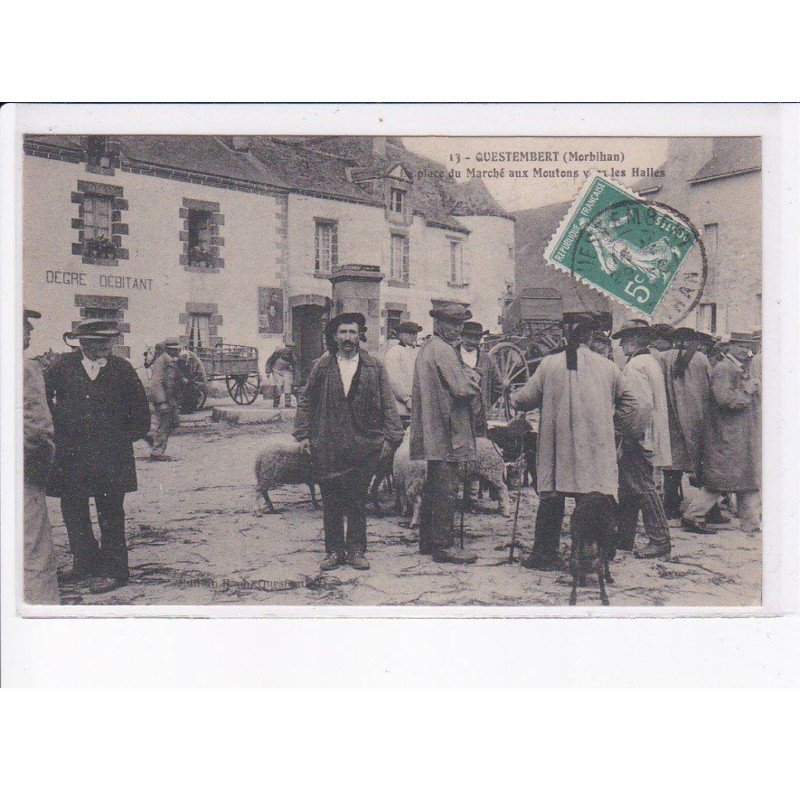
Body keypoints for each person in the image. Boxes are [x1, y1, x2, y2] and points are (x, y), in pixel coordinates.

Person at [511, 319, 641, 570]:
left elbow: (525, 398)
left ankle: (544, 555)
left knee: (551, 499)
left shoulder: (550, 364)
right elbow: (632, 404)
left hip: (558, 447)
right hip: (594, 446)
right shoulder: (608, 367)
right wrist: (615, 427)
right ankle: (592, 555)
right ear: (591, 339)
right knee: (593, 498)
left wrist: (515, 400)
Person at [45, 320, 151, 594]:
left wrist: (123, 437)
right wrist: (58, 430)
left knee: (111, 513)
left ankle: (116, 571)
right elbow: (44, 403)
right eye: (98, 343)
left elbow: (140, 410)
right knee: (74, 511)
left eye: (108, 342)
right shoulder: (62, 367)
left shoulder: (121, 369)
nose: (105, 348)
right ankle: (85, 562)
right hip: (72, 456)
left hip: (111, 457)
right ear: (82, 343)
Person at [294, 312, 403, 571]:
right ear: (334, 336)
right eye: (342, 333)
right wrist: (303, 434)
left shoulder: (374, 366)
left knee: (356, 500)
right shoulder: (322, 366)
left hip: (363, 445)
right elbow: (306, 400)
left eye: (352, 332)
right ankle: (333, 551)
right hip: (328, 444)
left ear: (360, 336)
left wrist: (392, 438)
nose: (347, 338)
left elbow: (388, 403)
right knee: (331, 500)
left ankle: (356, 550)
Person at [410, 303, 482, 564]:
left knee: (434, 486)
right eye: (453, 324)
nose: (458, 330)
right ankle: (443, 545)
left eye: (461, 325)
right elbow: (462, 389)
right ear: (438, 323)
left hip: (434, 427)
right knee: (445, 489)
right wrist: (474, 377)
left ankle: (428, 541)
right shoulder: (443, 350)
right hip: (446, 429)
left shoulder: (428, 348)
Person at [683, 332, 761, 533]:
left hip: (740, 435)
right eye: (741, 346)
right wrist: (748, 391)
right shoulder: (724, 368)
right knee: (720, 481)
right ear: (730, 347)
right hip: (728, 435)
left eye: (748, 346)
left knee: (746, 479)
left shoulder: (736, 367)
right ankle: (693, 516)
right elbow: (725, 400)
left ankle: (751, 523)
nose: (746, 350)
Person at [611, 319, 672, 558]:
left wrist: (627, 436)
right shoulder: (650, 361)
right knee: (628, 487)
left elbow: (638, 407)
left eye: (624, 340)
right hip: (647, 432)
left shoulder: (636, 366)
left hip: (638, 436)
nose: (621, 346)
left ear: (635, 340)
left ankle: (660, 539)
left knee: (642, 487)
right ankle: (624, 537)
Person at [23, 309, 61, 604]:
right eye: (24, 325)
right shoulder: (25, 368)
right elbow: (39, 433)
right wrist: (40, 474)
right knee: (34, 554)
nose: (30, 331)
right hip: (21, 475)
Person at [659, 328, 713, 525]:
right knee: (703, 462)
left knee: (672, 463)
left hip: (671, 416)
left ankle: (670, 505)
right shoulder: (701, 358)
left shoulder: (664, 358)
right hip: (697, 417)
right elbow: (709, 384)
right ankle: (709, 509)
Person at [458, 320, 501, 437]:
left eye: (476, 338)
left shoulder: (486, 358)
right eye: (469, 337)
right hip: (455, 415)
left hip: (478, 417)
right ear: (461, 336)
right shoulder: (452, 355)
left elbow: (498, 386)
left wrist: (484, 402)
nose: (472, 341)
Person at [383, 320, 422, 428]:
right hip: (401, 405)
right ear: (400, 334)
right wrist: (406, 398)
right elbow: (393, 379)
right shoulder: (394, 351)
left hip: (416, 403)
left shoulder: (417, 351)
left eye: (414, 333)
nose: (412, 336)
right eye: (409, 333)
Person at [149, 337, 182, 460]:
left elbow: (172, 379)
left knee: (173, 423)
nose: (177, 351)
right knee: (164, 424)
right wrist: (161, 402)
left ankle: (153, 440)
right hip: (164, 400)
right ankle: (157, 451)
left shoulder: (169, 360)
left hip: (171, 399)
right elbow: (155, 382)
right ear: (169, 349)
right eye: (174, 349)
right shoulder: (161, 361)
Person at [265, 342, 298, 408]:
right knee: (278, 386)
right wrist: (268, 371)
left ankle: (288, 403)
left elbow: (295, 368)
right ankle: (276, 403)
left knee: (287, 385)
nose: (289, 349)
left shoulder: (292, 356)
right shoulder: (278, 352)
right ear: (285, 347)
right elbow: (270, 361)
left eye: (291, 348)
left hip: (286, 370)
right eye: (288, 347)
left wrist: (295, 380)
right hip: (276, 370)